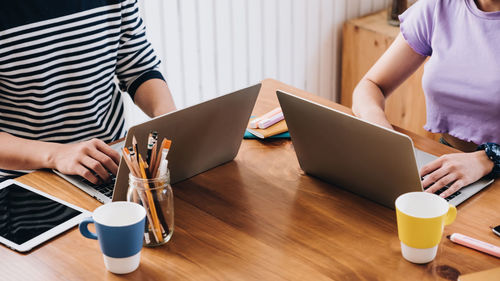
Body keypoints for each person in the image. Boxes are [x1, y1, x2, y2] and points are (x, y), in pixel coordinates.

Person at [0, 0, 176, 184]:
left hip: (109, 165)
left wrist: (171, 120)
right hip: (27, 182)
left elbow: (137, 65)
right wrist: (56, 155)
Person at [351, 0, 500, 198]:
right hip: (448, 166)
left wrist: (487, 159)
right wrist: (383, 134)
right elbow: (370, 85)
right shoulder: (439, 7)